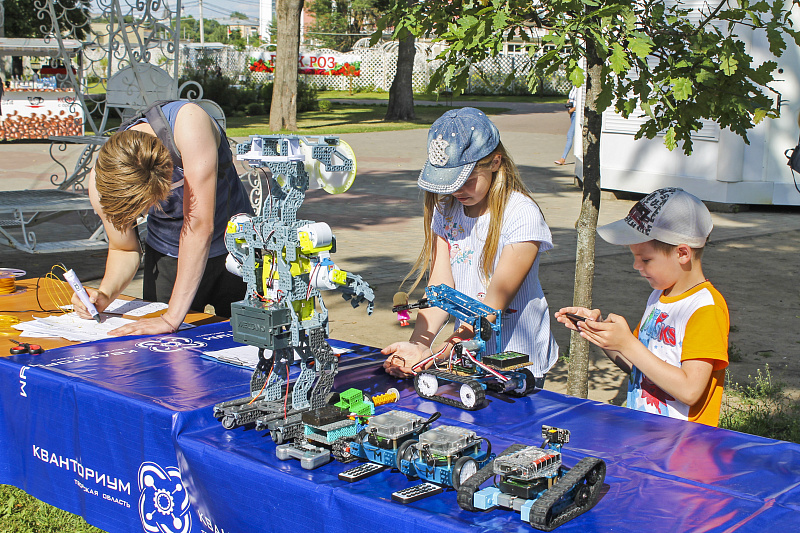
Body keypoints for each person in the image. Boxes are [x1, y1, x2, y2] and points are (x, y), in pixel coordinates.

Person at [382, 107, 559, 388]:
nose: (455, 191)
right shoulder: (446, 209)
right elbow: (441, 287)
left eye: (465, 180)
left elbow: (492, 305)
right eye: (447, 182)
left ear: (495, 162)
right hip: (464, 355)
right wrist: (418, 345)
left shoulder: (521, 215)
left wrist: (437, 353)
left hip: (516, 361)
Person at [71, 100, 252, 336]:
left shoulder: (188, 123)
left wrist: (170, 319)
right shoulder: (102, 183)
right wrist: (104, 295)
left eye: (147, 207)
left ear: (163, 178)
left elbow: (198, 226)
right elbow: (123, 249)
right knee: (165, 351)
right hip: (168, 257)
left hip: (236, 251)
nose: (146, 215)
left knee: (248, 343)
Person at [555, 187, 729, 426]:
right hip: (646, 437)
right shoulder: (659, 295)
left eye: (646, 259)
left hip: (682, 450)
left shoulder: (705, 308)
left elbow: (690, 390)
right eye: (635, 257)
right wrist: (600, 333)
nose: (636, 265)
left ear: (682, 253)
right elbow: (639, 367)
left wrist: (628, 343)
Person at [554, 85, 578, 166]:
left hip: (576, 114)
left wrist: (572, 109)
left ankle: (563, 158)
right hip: (572, 114)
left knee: (570, 135)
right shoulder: (574, 86)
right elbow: (571, 98)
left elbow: (581, 102)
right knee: (576, 134)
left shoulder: (581, 87)